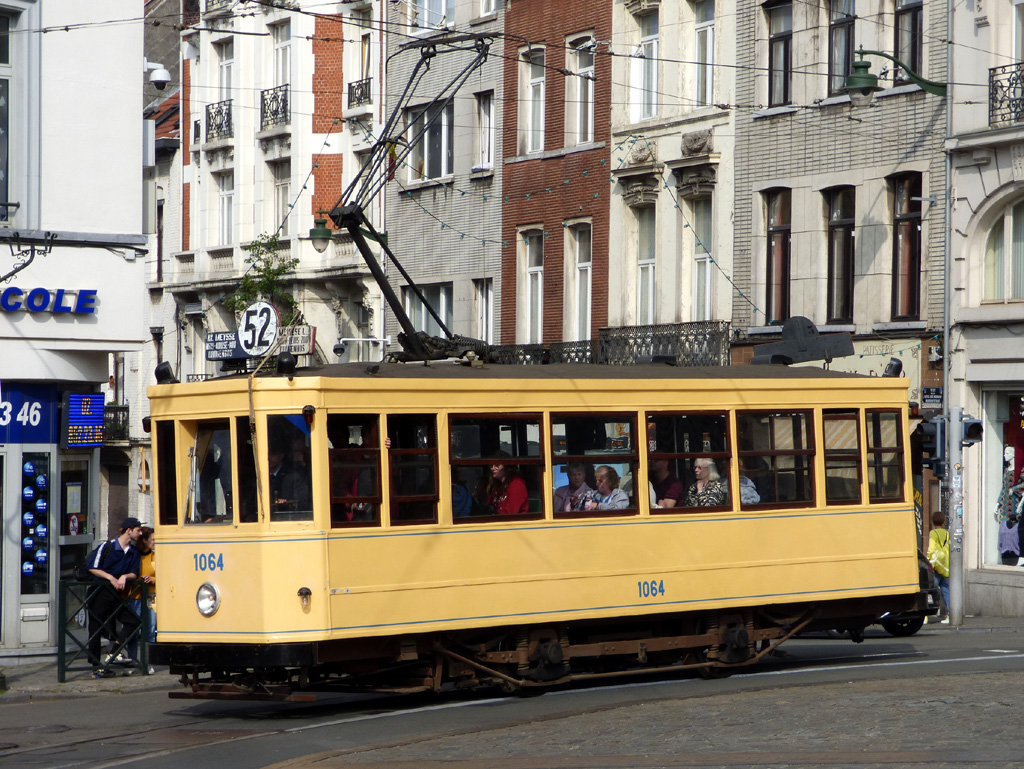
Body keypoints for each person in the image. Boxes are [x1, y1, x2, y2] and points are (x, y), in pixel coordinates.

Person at [87, 517, 143, 677]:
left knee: (134, 622)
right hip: (99, 592)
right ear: (128, 530)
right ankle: (96, 667)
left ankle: (114, 652)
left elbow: (135, 572)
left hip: (117, 595)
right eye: (138, 530)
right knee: (96, 629)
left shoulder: (133, 551)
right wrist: (111, 578)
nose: (140, 533)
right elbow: (92, 567)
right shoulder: (107, 546)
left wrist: (125, 576)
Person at [127, 526, 156, 674]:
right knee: (133, 631)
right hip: (135, 598)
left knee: (150, 631)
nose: (155, 542)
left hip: (150, 598)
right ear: (144, 540)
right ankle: (133, 663)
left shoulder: (155, 556)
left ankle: (147, 663)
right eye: (152, 540)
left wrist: (153, 579)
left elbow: (163, 573)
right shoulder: (134, 555)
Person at [268, 440, 311, 513]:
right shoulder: (258, 478)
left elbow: (302, 501)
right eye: (267, 454)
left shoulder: (294, 476)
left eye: (273, 454)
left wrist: (287, 503)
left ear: (281, 455)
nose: (269, 458)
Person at [928, 510, 951, 622]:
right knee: (946, 590)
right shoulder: (947, 533)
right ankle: (951, 614)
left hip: (936, 565)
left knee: (931, 589)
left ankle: (926, 615)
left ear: (933, 521)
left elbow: (931, 549)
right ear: (943, 521)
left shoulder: (933, 533)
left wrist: (928, 560)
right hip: (946, 565)